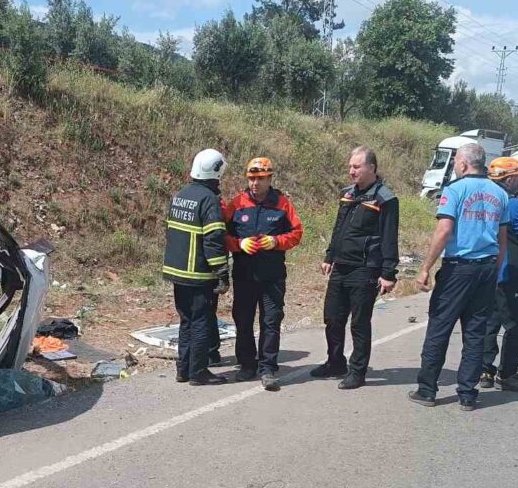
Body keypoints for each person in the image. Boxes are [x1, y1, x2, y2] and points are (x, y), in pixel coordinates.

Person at [408, 143, 508, 411]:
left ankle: (427, 389)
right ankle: (467, 393)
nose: (454, 167)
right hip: (486, 268)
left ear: (463, 164)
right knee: (475, 332)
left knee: (440, 327)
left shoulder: (455, 190)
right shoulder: (500, 193)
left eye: (455, 163)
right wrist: (496, 272)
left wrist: (425, 267)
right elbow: (502, 239)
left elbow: (444, 230)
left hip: (459, 268)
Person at [310, 146, 400, 390]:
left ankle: (357, 371)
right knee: (332, 317)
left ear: (371, 167)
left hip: (365, 268)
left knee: (359, 322)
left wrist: (388, 272)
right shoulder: (347, 194)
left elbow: (389, 237)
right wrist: (329, 255)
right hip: (341, 266)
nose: (351, 171)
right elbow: (338, 228)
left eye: (357, 167)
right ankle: (335, 362)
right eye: (350, 166)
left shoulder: (385, 198)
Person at [223, 157, 303, 391]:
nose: (255, 183)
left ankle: (268, 368)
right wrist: (238, 244)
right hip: (244, 275)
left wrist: (276, 241)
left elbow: (297, 233)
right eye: (251, 178)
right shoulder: (237, 203)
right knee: (243, 319)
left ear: (270, 178)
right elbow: (220, 236)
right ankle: (247, 364)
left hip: (272, 276)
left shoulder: (282, 204)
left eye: (260, 179)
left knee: (271, 320)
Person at [162, 148, 231, 385]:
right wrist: (221, 272)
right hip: (198, 274)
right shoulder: (208, 200)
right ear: (216, 172)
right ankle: (199, 371)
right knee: (201, 321)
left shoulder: (181, 195)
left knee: (186, 321)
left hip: (177, 272)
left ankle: (184, 369)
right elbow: (213, 239)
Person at [482, 157, 518, 393]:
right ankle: (508, 373)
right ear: (511, 178)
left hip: (487, 271)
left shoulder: (483, 197)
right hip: (512, 272)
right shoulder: (511, 202)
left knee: (490, 322)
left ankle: (484, 370)